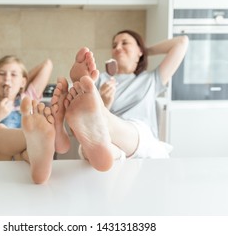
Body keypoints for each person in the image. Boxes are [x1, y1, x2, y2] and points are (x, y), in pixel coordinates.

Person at [51, 30, 188, 172]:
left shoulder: (151, 80)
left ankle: (101, 117)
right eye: (114, 45)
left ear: (139, 51)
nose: (117, 48)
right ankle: (99, 120)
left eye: (125, 43)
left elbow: (181, 42)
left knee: (116, 133)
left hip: (140, 139)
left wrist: (145, 50)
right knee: (99, 146)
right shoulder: (98, 80)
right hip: (110, 144)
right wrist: (104, 102)